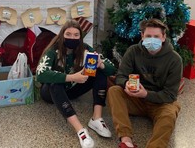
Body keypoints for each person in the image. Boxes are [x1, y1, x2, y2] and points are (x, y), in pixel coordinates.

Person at [36, 19, 116, 148]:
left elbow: (112, 69)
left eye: (76, 35)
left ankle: (96, 118)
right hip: (50, 94)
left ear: (80, 37)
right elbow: (40, 74)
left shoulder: (85, 49)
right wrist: (72, 77)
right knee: (55, 84)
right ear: (62, 35)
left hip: (72, 91)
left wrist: (100, 64)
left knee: (100, 72)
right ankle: (80, 130)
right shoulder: (53, 49)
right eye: (68, 34)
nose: (72, 38)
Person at [107, 18, 182, 148]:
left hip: (160, 103)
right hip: (135, 99)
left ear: (164, 37)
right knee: (114, 91)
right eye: (148, 36)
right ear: (142, 36)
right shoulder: (133, 51)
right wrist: (127, 85)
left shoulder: (174, 59)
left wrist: (145, 94)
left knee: (170, 114)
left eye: (156, 36)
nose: (152, 39)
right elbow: (120, 76)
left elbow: (170, 95)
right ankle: (126, 141)